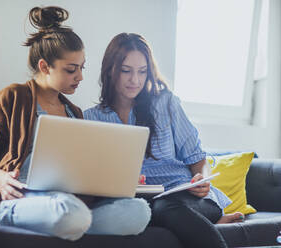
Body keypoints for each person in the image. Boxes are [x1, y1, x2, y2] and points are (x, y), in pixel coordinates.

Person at [0, 8, 151, 241]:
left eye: (82, 68)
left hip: (70, 201)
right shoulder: (13, 97)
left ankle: (69, 224)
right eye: (71, 70)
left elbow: (83, 168)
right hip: (23, 195)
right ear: (44, 66)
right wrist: (2, 178)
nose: (80, 77)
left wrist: (113, 180)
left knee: (139, 211)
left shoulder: (74, 112)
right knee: (69, 212)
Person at [83, 32, 244, 248]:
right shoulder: (90, 119)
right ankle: (208, 224)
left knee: (161, 208)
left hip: (186, 197)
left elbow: (197, 158)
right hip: (134, 203)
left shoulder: (166, 104)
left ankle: (209, 220)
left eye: (142, 72)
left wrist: (202, 179)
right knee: (141, 212)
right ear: (110, 71)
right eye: (126, 71)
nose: (135, 80)